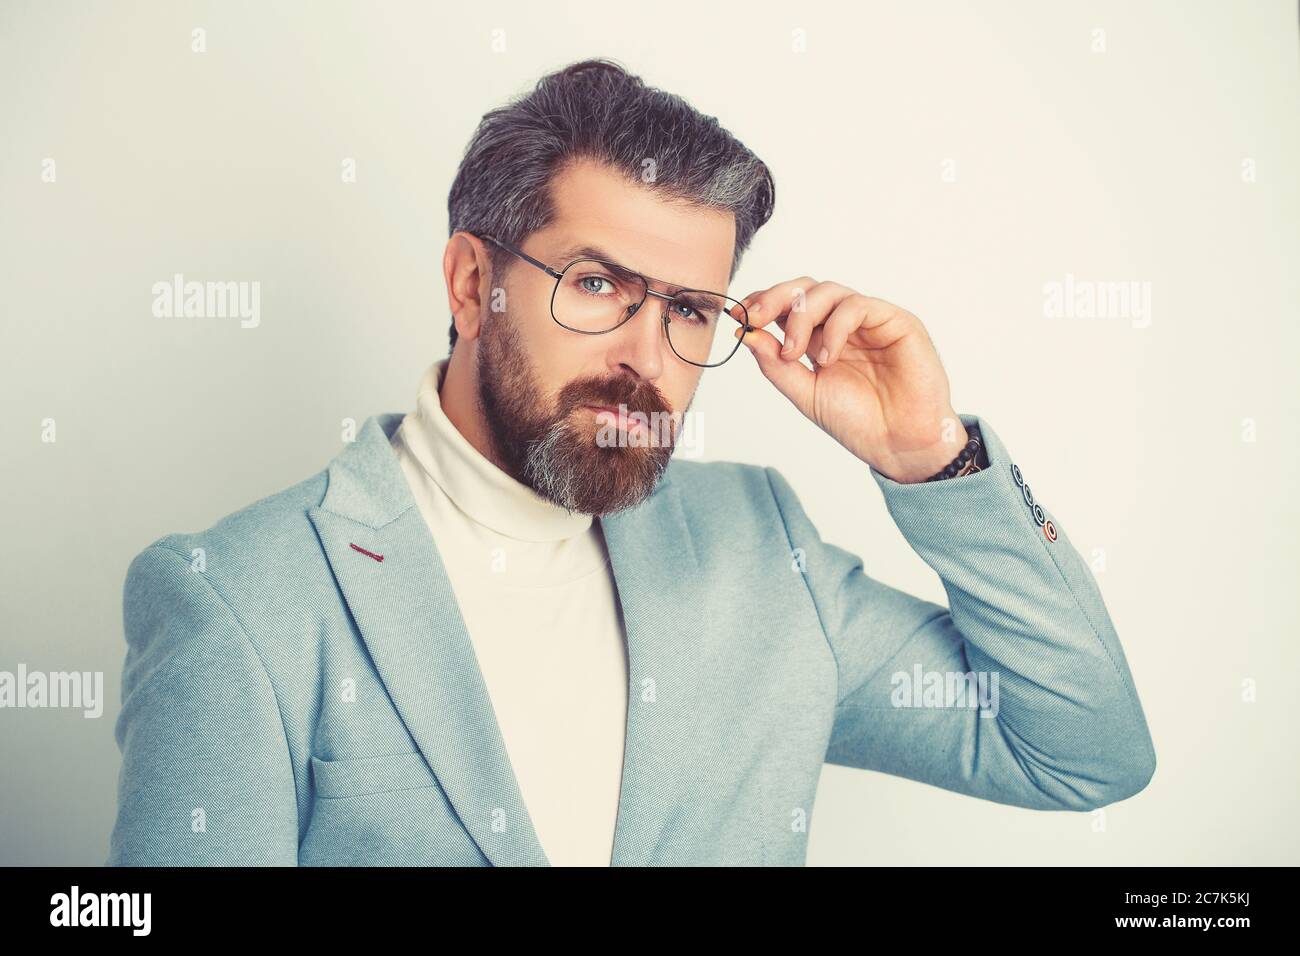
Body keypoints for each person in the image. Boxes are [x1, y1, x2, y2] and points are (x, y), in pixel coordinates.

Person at [107, 58, 1155, 867]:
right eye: (600, 284)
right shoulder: (239, 598)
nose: (647, 362)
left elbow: (1078, 750)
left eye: (691, 309)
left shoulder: (761, 549)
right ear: (474, 283)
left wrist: (932, 459)